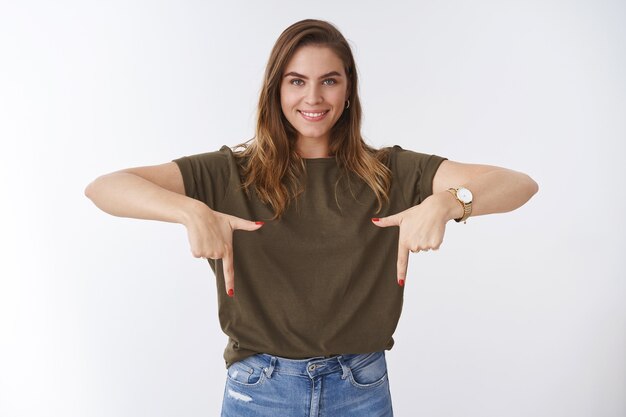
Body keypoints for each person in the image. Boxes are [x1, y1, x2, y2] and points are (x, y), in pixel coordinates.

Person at [85, 18, 538, 417]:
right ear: (276, 89)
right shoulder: (228, 173)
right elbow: (105, 187)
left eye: (330, 80)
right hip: (259, 389)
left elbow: (518, 183)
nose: (313, 97)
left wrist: (447, 203)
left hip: (361, 386)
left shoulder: (393, 171)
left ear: (348, 89)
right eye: (297, 81)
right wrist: (189, 210)